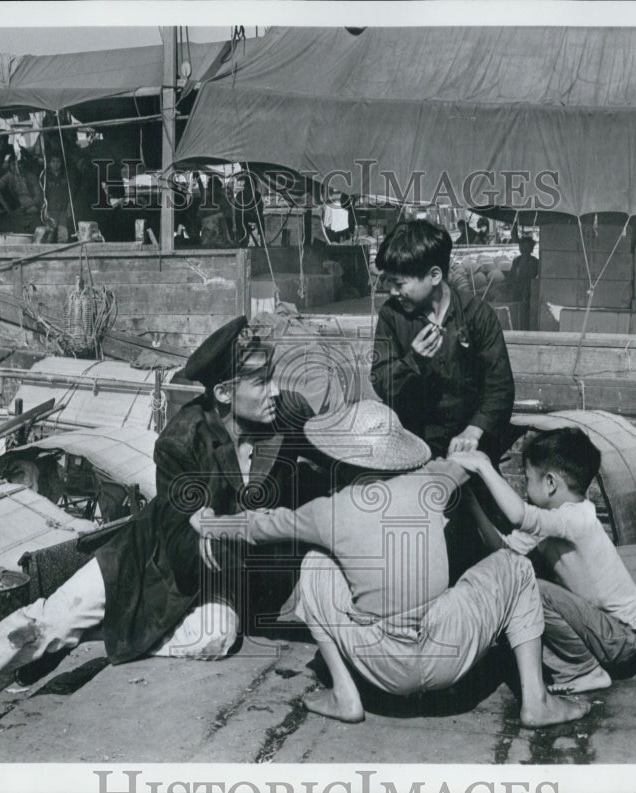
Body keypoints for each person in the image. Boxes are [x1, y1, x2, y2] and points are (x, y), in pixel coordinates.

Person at [0, 317, 323, 733]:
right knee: (52, 619)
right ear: (226, 393)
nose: (276, 391)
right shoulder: (181, 440)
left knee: (217, 638)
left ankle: (101, 636)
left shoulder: (284, 415)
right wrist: (232, 529)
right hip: (147, 558)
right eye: (262, 381)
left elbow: (331, 456)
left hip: (219, 575)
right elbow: (178, 546)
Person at [190, 400, 591, 727]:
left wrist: (209, 524)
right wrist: (465, 458)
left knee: (315, 563)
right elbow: (461, 469)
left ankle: (346, 695)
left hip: (380, 663)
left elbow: (261, 526)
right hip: (447, 653)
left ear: (342, 459)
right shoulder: (431, 484)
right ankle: (535, 700)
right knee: (517, 568)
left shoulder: (328, 511)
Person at [450, 427, 636, 694]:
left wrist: (484, 467)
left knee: (530, 587)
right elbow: (503, 550)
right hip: (603, 631)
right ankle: (580, 664)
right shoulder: (551, 522)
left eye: (527, 479)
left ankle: (584, 670)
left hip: (621, 637)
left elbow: (519, 515)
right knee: (517, 575)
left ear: (550, 483)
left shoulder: (577, 518)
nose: (524, 488)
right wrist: (470, 501)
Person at [371, 219, 515, 460]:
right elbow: (380, 381)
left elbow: (500, 388)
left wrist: (475, 430)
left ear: (434, 275)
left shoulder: (477, 315)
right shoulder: (391, 315)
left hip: (467, 444)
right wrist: (411, 361)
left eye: (399, 283)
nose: (393, 292)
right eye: (389, 282)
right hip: (410, 443)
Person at [506, 237, 540, 328]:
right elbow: (511, 275)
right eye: (521, 246)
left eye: (526, 247)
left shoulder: (534, 262)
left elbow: (531, 276)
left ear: (531, 248)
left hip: (527, 289)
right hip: (515, 287)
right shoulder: (516, 261)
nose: (523, 249)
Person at [42, 152, 73, 243]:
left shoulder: (65, 176)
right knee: (49, 235)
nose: (56, 164)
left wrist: (69, 206)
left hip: (62, 210)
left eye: (58, 162)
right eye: (53, 161)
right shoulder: (46, 177)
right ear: (49, 163)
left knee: (63, 235)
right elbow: (43, 195)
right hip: (50, 210)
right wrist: (44, 210)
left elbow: (69, 194)